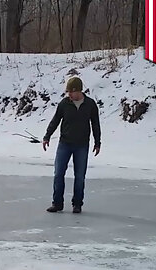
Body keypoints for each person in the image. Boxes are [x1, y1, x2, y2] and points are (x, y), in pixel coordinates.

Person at [42, 76, 101, 214]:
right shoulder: (64, 104)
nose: (69, 95)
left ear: (78, 91)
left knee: (80, 176)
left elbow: (96, 125)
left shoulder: (90, 105)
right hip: (65, 144)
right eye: (68, 92)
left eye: (71, 92)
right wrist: (47, 136)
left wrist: (97, 142)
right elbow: (55, 120)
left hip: (81, 145)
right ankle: (57, 203)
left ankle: (77, 204)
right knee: (58, 174)